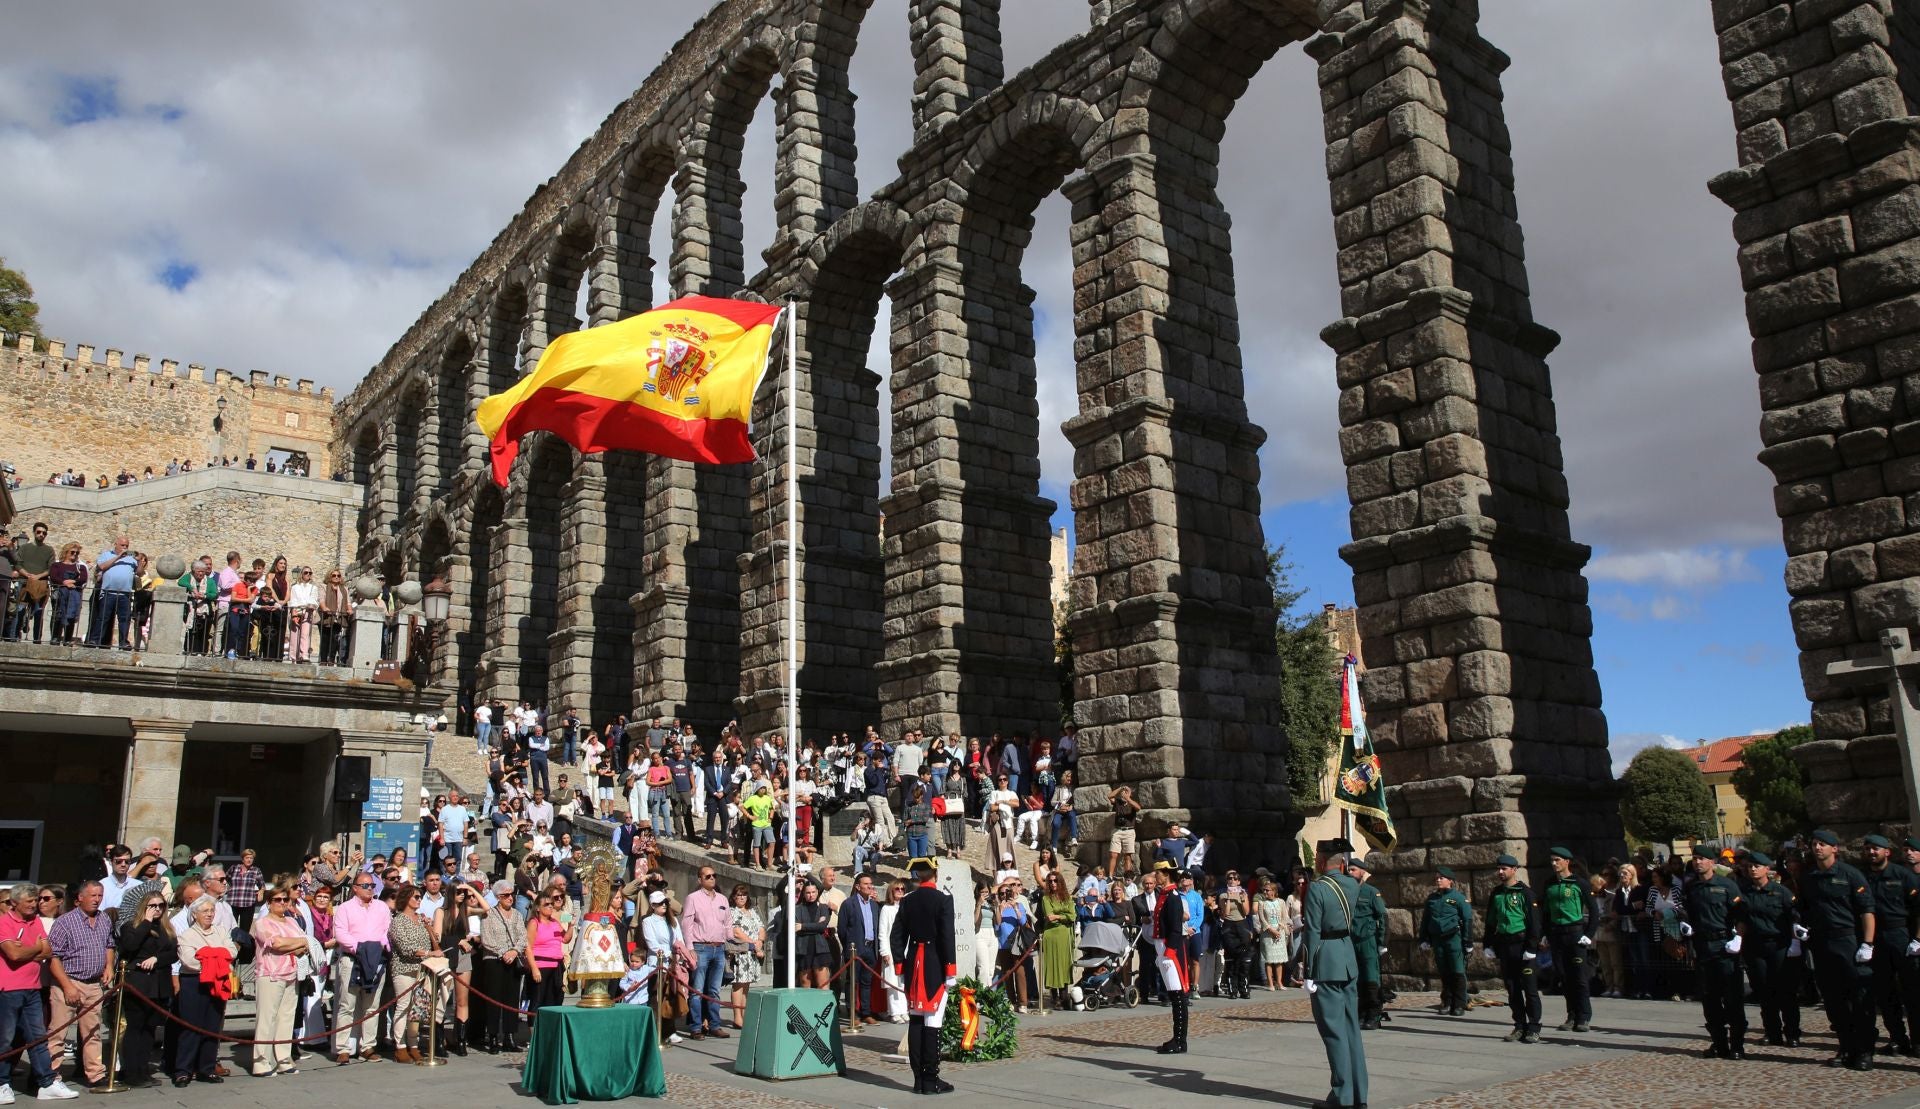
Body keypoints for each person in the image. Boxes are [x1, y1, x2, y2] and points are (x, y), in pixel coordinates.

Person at [1804, 829, 1876, 1068]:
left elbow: (1866, 910)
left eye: (1823, 844)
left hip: (1848, 940)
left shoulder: (1850, 875)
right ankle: (1846, 1046)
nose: (1817, 848)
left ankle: (1864, 1050)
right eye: (1814, 844)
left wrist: (1867, 943)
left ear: (1835, 848)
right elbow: (1805, 909)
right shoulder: (1810, 876)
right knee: (1833, 1000)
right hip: (1822, 942)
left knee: (1858, 997)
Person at [1302, 839, 1365, 1109]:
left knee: (1333, 1031)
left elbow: (1312, 931)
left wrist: (1307, 970)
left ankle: (1342, 1096)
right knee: (1351, 1030)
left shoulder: (1317, 888)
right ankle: (1359, 1094)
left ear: (1320, 859)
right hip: (1347, 956)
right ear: (1342, 863)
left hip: (1325, 959)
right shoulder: (1352, 884)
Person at [890, 857, 956, 1096]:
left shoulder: (907, 901)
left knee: (916, 1020)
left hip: (913, 964)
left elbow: (896, 936)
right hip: (934, 964)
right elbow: (947, 937)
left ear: (917, 876)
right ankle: (931, 1079)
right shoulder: (943, 900)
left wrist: (899, 965)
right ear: (935, 874)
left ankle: (918, 1079)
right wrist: (950, 969)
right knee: (933, 1020)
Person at [1678, 842, 1749, 1058]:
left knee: (1732, 997)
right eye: (1695, 859)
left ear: (1712, 862)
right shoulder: (1691, 887)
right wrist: (1685, 924)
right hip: (1703, 945)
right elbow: (1685, 910)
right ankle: (1719, 1042)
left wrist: (1738, 937)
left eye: (1702, 859)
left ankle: (1737, 1045)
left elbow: (1742, 913)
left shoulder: (1727, 885)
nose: (1698, 862)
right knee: (1710, 998)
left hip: (1724, 945)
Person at [45, 880, 114, 1089]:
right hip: (68, 981)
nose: (97, 900)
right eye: (92, 895)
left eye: (100, 896)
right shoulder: (65, 922)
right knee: (57, 1032)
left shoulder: (104, 919)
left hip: (93, 984)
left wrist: (109, 965)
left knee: (92, 1033)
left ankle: (95, 1074)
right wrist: (67, 987)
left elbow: (109, 944)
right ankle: (50, 1075)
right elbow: (53, 957)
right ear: (80, 898)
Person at [1861, 832, 1920, 1057]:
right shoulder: (1863, 877)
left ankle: (1918, 1040)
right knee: (1885, 993)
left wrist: (1917, 939)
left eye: (1876, 848)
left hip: (1901, 935)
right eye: (1867, 849)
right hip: (1877, 938)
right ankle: (1897, 1038)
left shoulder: (1903, 875)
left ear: (1887, 852)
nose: (1871, 852)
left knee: (1913, 992)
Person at [173, 894, 239, 1087]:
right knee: (191, 1027)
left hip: (217, 982)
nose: (209, 914)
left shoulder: (220, 931)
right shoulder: (187, 935)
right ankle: (183, 1071)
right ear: (195, 914)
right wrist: (217, 956)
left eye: (212, 911)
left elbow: (231, 952)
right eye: (205, 911)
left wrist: (207, 955)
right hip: (194, 983)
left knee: (212, 1027)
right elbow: (190, 960)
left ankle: (206, 1068)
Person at [1740, 850, 1802, 1047]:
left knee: (1786, 991)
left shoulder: (1781, 892)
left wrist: (1795, 941)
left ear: (1767, 869)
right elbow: (1742, 918)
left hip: (1779, 945)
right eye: (1750, 866)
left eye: (1757, 866)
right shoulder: (1745, 892)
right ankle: (1772, 1031)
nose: (1753, 869)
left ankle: (1792, 1032)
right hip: (1755, 946)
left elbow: (1794, 916)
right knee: (1764, 991)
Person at [115, 888, 174, 1088]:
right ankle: (132, 1072)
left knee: (150, 1029)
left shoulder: (166, 927)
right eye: (153, 906)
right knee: (136, 1027)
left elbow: (174, 952)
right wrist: (146, 922)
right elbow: (130, 946)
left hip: (159, 984)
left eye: (161, 905)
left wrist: (157, 959)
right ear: (144, 907)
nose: (157, 909)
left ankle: (143, 1070)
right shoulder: (131, 926)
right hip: (138, 982)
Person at [1481, 853, 1542, 1043]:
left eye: (1504, 869)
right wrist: (1488, 944)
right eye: (1498, 869)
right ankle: (1519, 1024)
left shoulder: (1526, 893)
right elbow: (1490, 921)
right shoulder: (1496, 893)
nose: (1500, 872)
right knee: (1512, 988)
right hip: (1505, 945)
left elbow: (1534, 923)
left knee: (1530, 989)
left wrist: (1532, 947)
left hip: (1522, 944)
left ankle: (1533, 1026)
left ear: (1514, 870)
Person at [331, 870, 392, 1063]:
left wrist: (380, 946)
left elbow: (386, 929)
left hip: (375, 959)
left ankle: (368, 1046)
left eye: (372, 886)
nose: (369, 889)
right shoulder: (345, 908)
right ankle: (342, 1048)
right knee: (346, 1005)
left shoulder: (381, 907)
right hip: (353, 958)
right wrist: (360, 948)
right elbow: (340, 933)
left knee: (371, 1006)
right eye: (365, 885)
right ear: (355, 888)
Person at [250, 882, 307, 1076]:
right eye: (277, 900)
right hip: (270, 974)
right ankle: (261, 1061)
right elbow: (276, 943)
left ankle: (283, 1058)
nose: (282, 903)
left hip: (292, 973)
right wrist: (296, 943)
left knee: (286, 1018)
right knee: (267, 1019)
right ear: (269, 902)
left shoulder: (291, 921)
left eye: (285, 899)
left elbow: (304, 944)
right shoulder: (262, 922)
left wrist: (294, 944)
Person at [1541, 846, 1597, 1032]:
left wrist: (1588, 935)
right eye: (1552, 860)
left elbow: (1594, 911)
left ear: (1567, 861)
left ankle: (1584, 1015)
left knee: (1579, 977)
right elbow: (1545, 912)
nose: (1554, 863)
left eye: (1557, 860)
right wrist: (1545, 934)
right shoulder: (1549, 884)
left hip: (1575, 932)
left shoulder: (1579, 883)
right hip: (1557, 933)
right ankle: (1571, 1014)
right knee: (1564, 976)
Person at [681, 864, 732, 1041]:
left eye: (713, 875)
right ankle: (696, 1027)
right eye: (708, 876)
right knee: (697, 990)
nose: (712, 878)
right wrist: (690, 947)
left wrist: (728, 942)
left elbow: (728, 923)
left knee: (714, 990)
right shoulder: (692, 898)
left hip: (719, 948)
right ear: (700, 879)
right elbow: (686, 923)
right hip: (701, 947)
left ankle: (714, 1025)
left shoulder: (722, 899)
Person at [475, 879, 526, 1053]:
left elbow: (522, 937)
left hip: (513, 960)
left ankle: (510, 1036)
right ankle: (493, 1036)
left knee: (512, 998)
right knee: (494, 999)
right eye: (506, 895)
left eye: (511, 894)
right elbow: (487, 939)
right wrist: (504, 952)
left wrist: (514, 951)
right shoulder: (489, 914)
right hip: (494, 960)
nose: (510, 898)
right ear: (498, 897)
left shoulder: (518, 915)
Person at [1147, 866, 1190, 1053]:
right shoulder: (1164, 895)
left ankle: (1180, 1040)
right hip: (1162, 947)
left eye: (1157, 873)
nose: (1155, 876)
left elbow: (1175, 927)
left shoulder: (1173, 897)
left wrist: (1170, 951)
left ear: (1166, 876)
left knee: (1178, 995)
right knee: (1174, 995)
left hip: (1168, 948)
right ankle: (1177, 1038)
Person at [1419, 865, 1473, 1015]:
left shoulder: (1459, 898)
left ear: (1450, 881)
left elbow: (1467, 920)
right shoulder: (1432, 899)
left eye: (1441, 878)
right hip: (1438, 940)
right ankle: (1447, 1001)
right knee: (1444, 972)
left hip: (1453, 938)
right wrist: (1424, 938)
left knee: (1457, 971)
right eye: (1436, 878)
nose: (1438, 880)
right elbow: (1426, 920)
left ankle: (1460, 1003)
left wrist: (1468, 942)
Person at [839, 872, 885, 1029]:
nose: (870, 886)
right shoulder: (848, 904)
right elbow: (842, 930)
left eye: (871, 884)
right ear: (858, 887)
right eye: (866, 884)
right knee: (852, 981)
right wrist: (850, 946)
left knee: (867, 982)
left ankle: (866, 1012)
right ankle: (853, 1013)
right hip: (855, 949)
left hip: (870, 948)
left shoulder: (873, 905)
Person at [639, 891, 685, 1045]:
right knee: (656, 998)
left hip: (672, 963)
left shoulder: (672, 921)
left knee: (670, 997)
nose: (663, 905)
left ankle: (670, 1030)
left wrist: (679, 954)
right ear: (653, 906)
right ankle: (655, 1031)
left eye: (665, 902)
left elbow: (679, 939)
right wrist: (667, 954)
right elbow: (652, 944)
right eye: (660, 903)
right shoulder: (648, 921)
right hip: (657, 963)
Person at [1345, 857, 1386, 1028]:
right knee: (1357, 979)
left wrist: (1382, 942)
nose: (1350, 872)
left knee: (1370, 978)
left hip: (1367, 940)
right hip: (1351, 940)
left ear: (1362, 872)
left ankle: (1374, 1016)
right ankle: (1361, 1014)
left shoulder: (1371, 892)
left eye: (1353, 869)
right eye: (1349, 869)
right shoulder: (1346, 891)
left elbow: (1382, 917)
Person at [524, 890, 571, 1017]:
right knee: (538, 1001)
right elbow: (528, 946)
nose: (550, 906)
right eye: (546, 904)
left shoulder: (555, 922)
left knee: (554, 1001)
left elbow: (565, 939)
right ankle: (534, 1033)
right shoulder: (534, 922)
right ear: (538, 908)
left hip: (556, 966)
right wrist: (534, 968)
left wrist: (571, 925)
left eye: (551, 904)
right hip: (541, 965)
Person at [726, 884, 763, 1030]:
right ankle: (737, 1017)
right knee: (738, 985)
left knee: (746, 985)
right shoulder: (732, 912)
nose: (741, 897)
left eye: (744, 895)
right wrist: (753, 943)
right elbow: (735, 932)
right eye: (738, 895)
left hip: (752, 954)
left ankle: (744, 1015)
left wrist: (760, 941)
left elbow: (761, 928)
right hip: (740, 952)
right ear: (733, 897)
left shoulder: (752, 911)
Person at [1040, 871, 1076, 1010]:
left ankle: (1064, 995)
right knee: (1053, 965)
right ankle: (1055, 997)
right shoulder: (1046, 899)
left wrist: (1058, 916)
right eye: (1050, 881)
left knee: (1064, 965)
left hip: (1065, 935)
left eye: (1055, 881)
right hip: (1052, 934)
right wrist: (1063, 916)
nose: (1053, 883)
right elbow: (1049, 917)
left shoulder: (1067, 898)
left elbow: (1072, 916)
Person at [1256, 877, 1291, 991]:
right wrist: (1271, 930)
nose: (1265, 892)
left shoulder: (1280, 902)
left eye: (1268, 890)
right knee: (1269, 959)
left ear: (1274, 891)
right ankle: (1270, 983)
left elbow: (1285, 916)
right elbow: (1262, 919)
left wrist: (1279, 928)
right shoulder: (1262, 903)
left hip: (1279, 932)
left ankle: (1280, 982)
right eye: (1264, 890)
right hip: (1268, 933)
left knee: (1279, 960)